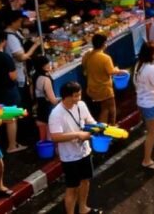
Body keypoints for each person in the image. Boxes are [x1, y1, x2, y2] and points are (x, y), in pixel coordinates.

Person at [47, 82, 100, 214]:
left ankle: (83, 208)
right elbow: (55, 137)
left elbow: (90, 121)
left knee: (85, 181)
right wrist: (77, 134)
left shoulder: (81, 105)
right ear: (66, 97)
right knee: (72, 187)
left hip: (84, 152)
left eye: (79, 94)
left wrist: (100, 127)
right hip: (69, 157)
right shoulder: (56, 114)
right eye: (75, 96)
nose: (78, 98)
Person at [82, 33, 126, 127]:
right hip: (104, 88)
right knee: (111, 108)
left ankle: (103, 130)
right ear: (104, 44)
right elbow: (111, 71)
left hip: (92, 88)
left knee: (104, 108)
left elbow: (84, 66)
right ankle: (112, 127)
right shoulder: (105, 58)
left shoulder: (87, 55)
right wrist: (119, 70)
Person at [32, 56, 58, 142]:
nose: (49, 64)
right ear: (43, 66)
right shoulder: (46, 80)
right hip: (48, 110)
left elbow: (32, 95)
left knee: (43, 139)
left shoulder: (34, 77)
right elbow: (53, 100)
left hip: (39, 110)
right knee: (52, 138)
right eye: (47, 63)